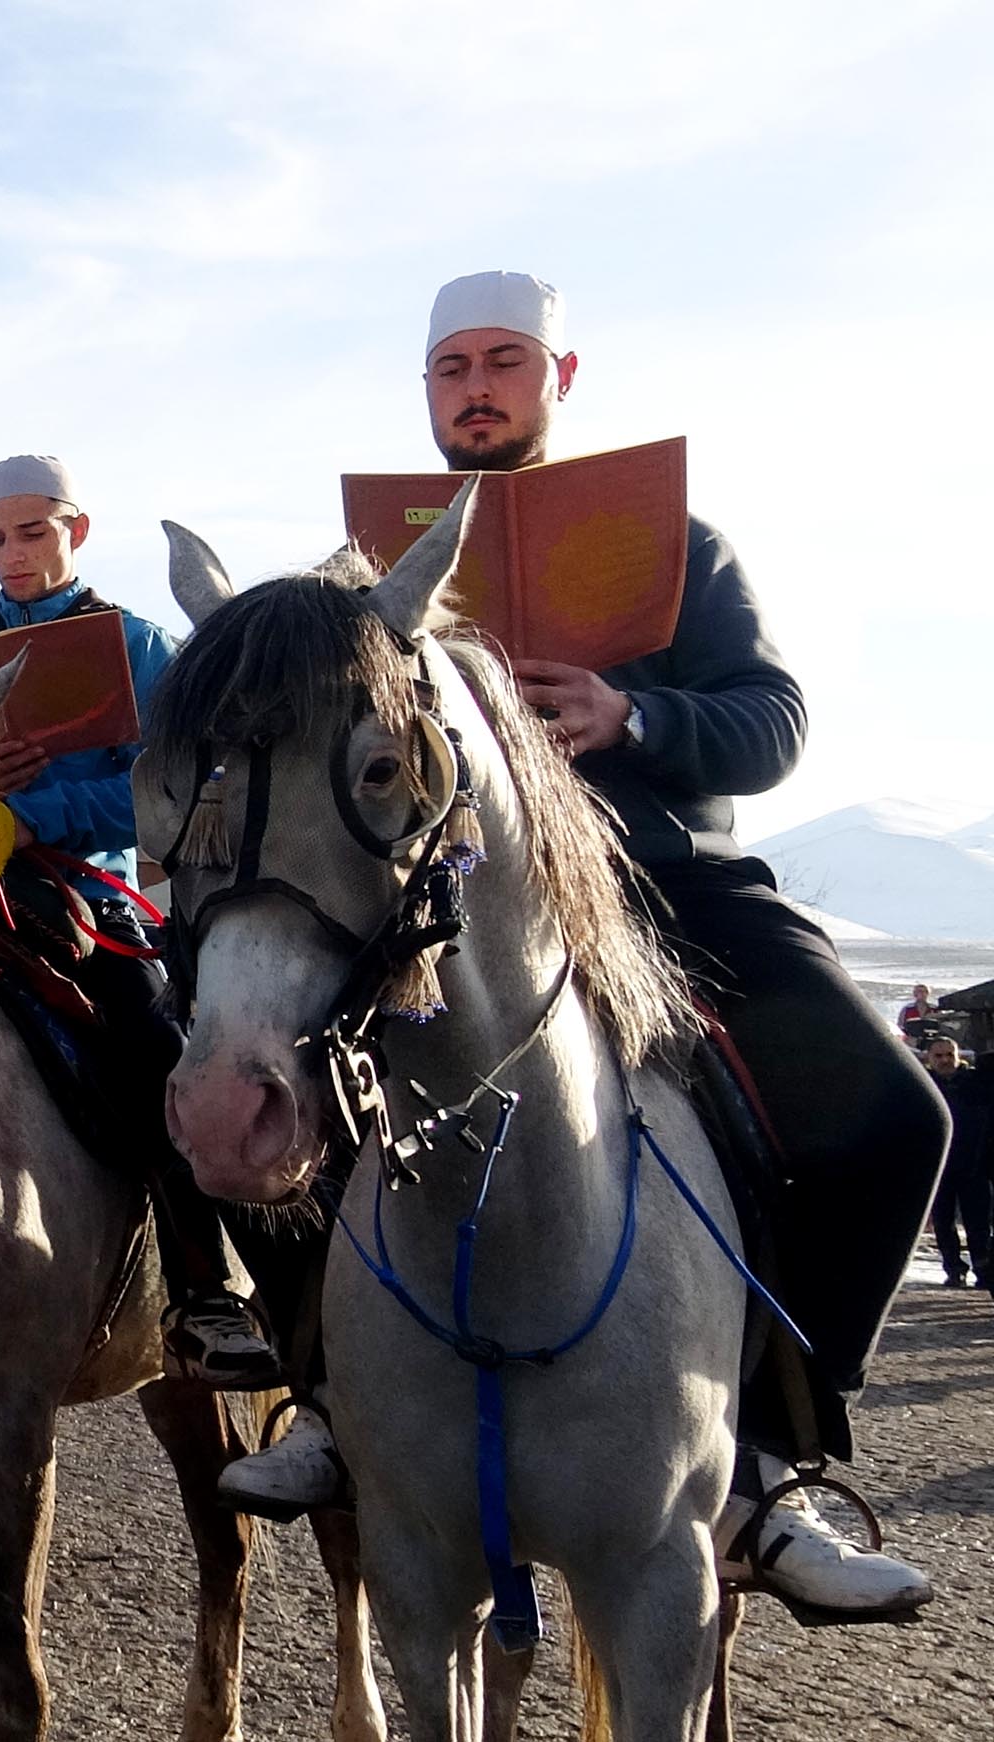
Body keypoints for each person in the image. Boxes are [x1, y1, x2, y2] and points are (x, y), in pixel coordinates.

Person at [221, 269, 944, 1620]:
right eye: (452, 368)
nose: (477, 386)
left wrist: (634, 715)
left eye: (504, 360)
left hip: (667, 888)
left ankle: (774, 1468)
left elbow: (773, 717)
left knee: (899, 1117)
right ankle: (324, 1396)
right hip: (444, 912)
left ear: (559, 378)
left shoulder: (679, 542)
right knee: (260, 1079)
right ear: (429, 392)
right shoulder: (366, 586)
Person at [0, 455, 280, 1389]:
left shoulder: (141, 648)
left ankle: (206, 1292)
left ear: (77, 531)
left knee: (155, 1050)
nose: (10, 555)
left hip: (87, 905)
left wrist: (32, 814)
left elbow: (171, 791)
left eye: (30, 533)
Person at [921, 1037, 989, 1294]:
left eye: (949, 1054)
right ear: (929, 1058)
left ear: (958, 1055)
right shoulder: (926, 1085)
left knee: (978, 1223)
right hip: (940, 1166)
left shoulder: (975, 1081)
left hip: (974, 1163)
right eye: (938, 1056)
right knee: (943, 1221)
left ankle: (983, 1270)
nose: (945, 1060)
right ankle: (954, 1269)